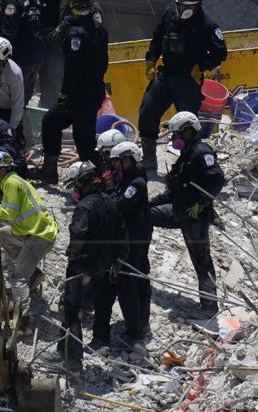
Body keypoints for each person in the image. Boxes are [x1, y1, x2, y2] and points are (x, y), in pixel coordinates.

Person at [139, 0, 227, 170]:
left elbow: (221, 53)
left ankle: (187, 163)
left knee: (187, 125)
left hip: (188, 80)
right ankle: (149, 158)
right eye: (180, 4)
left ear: (198, 4)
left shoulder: (207, 25)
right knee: (147, 111)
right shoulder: (169, 15)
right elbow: (156, 39)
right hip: (166, 76)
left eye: (188, 5)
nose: (183, 9)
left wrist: (200, 66)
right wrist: (150, 61)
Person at [149, 112, 225, 316]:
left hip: (196, 217)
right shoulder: (187, 154)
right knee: (145, 215)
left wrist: (202, 204)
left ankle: (210, 306)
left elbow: (216, 179)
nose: (174, 139)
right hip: (180, 211)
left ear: (189, 131)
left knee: (202, 261)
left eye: (177, 135)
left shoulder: (201, 152)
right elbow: (174, 190)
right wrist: (148, 204)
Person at [59, 161, 132, 369]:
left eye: (75, 185)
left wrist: (73, 256)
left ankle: (70, 358)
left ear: (83, 183)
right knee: (101, 303)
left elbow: (78, 238)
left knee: (71, 310)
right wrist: (118, 260)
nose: (74, 190)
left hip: (83, 268)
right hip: (105, 266)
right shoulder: (110, 202)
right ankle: (101, 339)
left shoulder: (84, 207)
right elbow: (122, 233)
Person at [40, 0, 108, 182]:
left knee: (84, 140)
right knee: (51, 122)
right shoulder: (100, 31)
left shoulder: (75, 34)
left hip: (78, 94)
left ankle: (104, 178)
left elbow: (73, 70)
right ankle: (50, 171)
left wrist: (64, 94)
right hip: (92, 91)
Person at [0, 151, 57, 303]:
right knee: (3, 234)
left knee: (18, 279)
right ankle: (33, 274)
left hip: (39, 236)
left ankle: (24, 322)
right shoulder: (13, 180)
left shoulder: (11, 183)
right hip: (32, 230)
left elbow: (9, 213)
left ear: (3, 169)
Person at [21, 0, 69, 109]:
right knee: (23, 84)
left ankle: (48, 123)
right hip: (30, 40)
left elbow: (73, 5)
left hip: (51, 41)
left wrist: (62, 29)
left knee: (51, 84)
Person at [110, 142, 152, 335]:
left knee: (129, 283)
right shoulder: (129, 178)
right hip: (134, 237)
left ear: (129, 160)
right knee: (138, 279)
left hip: (135, 239)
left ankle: (136, 329)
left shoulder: (135, 184)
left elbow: (121, 205)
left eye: (119, 162)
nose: (116, 166)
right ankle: (140, 323)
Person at [0, 0, 43, 118]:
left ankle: (10, 136)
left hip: (20, 56)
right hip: (35, 56)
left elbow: (6, 34)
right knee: (22, 99)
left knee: (9, 101)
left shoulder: (12, 1)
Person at [0, 38, 25, 134]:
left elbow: (17, 106)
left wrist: (10, 129)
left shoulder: (15, 74)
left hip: (6, 112)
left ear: (6, 59)